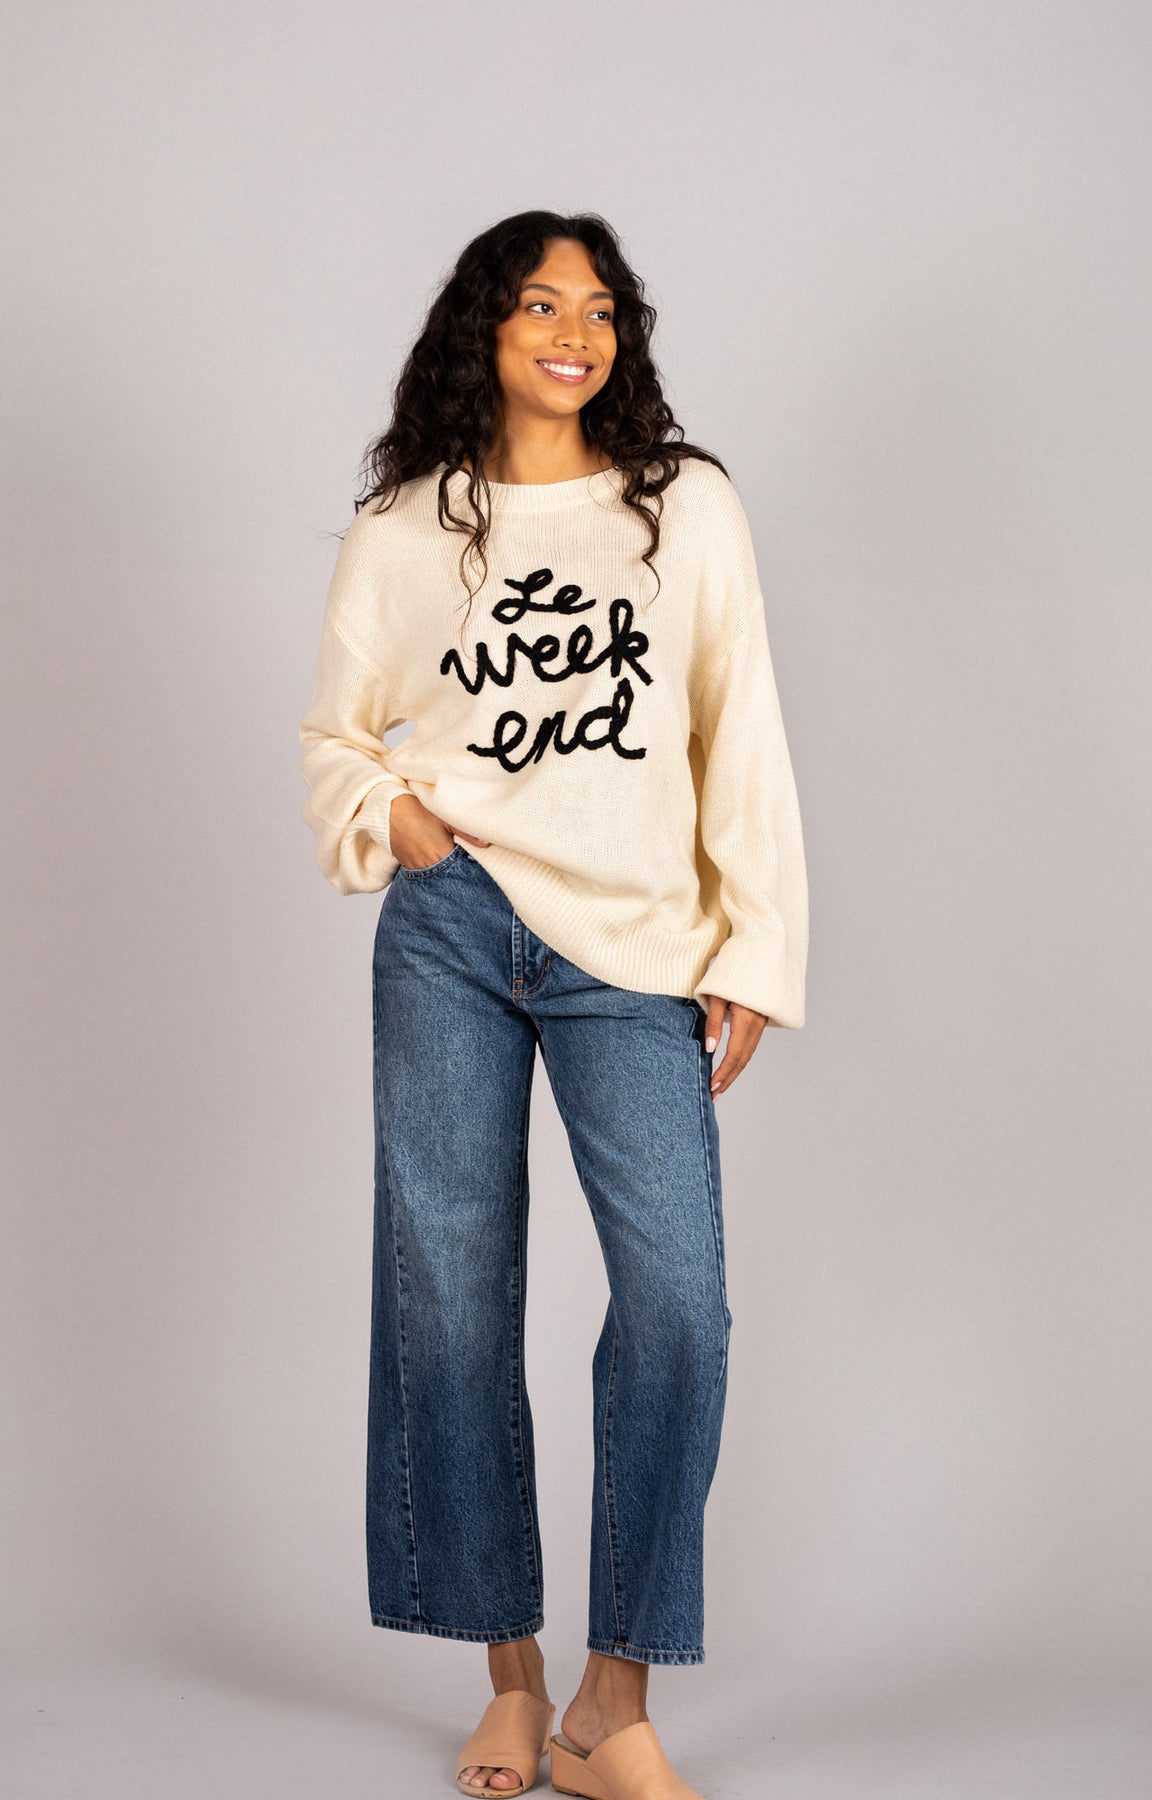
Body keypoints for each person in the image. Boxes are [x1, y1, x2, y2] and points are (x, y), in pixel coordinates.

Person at [298, 210, 809, 1800]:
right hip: (453, 930)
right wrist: (396, 820)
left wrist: (754, 948)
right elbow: (335, 736)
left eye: (598, 309)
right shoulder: (410, 524)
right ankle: (512, 1679)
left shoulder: (683, 506)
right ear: (486, 328)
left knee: (678, 1306)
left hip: (633, 947)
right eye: (538, 305)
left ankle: (614, 1700)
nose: (573, 332)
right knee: (450, 1298)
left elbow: (740, 723)